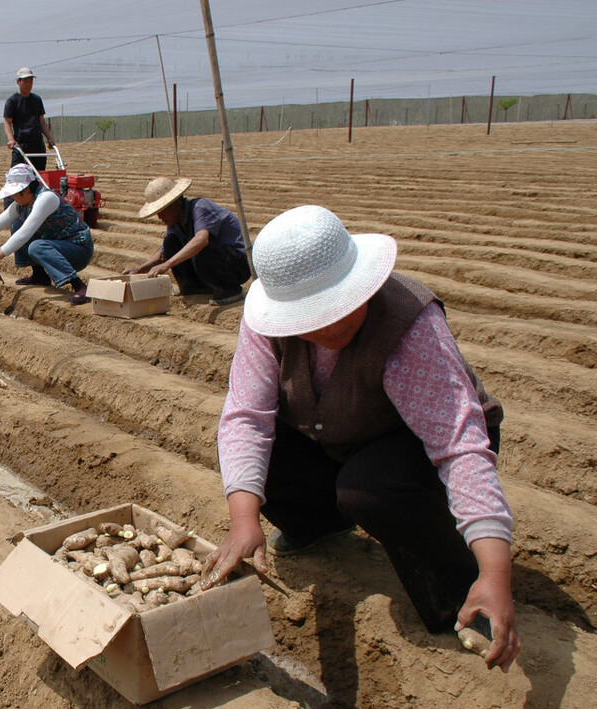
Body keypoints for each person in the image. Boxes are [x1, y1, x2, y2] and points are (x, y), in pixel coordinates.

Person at [202, 204, 520, 673]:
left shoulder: (407, 322)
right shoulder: (265, 325)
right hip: (337, 433)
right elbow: (247, 418)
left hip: (414, 446)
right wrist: (244, 519)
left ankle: (462, 593)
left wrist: (496, 572)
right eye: (313, 317)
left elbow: (458, 445)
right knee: (256, 460)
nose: (332, 326)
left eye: (343, 306)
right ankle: (318, 525)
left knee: (370, 486)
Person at [0, 163, 91, 305]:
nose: (12, 197)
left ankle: (79, 286)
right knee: (17, 224)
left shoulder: (46, 198)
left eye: (15, 192)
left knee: (37, 246)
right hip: (59, 245)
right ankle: (39, 275)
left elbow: (23, 235)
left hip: (79, 248)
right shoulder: (21, 205)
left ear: (26, 189)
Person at [124, 177, 250, 306]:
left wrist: (167, 264)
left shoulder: (200, 208)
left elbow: (201, 240)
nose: (160, 217)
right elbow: (163, 253)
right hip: (219, 259)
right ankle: (192, 287)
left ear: (174, 204)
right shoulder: (175, 223)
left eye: (161, 211)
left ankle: (231, 290)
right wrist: (140, 268)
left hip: (237, 264)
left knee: (200, 246)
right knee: (170, 242)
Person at [3, 67, 55, 170]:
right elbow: (7, 123)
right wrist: (11, 139)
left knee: (39, 176)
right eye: (26, 81)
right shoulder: (12, 101)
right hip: (21, 145)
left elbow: (42, 122)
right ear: (18, 82)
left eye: (30, 81)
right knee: (18, 176)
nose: (29, 84)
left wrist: (50, 137)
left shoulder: (37, 100)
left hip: (38, 144)